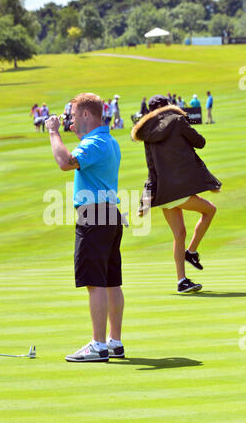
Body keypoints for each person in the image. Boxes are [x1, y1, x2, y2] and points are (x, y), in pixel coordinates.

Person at [45, 92, 125, 362]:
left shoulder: (95, 143)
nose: (71, 119)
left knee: (95, 282)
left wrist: (54, 132)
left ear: (87, 115)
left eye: (75, 114)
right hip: (109, 214)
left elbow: (65, 163)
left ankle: (99, 346)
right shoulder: (107, 140)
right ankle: (114, 342)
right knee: (111, 281)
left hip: (93, 216)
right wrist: (74, 134)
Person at [131, 94, 222, 294]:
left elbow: (151, 168)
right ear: (166, 106)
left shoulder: (147, 133)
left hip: (163, 192)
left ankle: (181, 281)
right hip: (178, 189)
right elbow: (200, 142)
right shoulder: (178, 120)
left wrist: (147, 196)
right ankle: (191, 252)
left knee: (179, 233)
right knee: (210, 211)